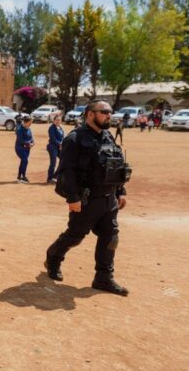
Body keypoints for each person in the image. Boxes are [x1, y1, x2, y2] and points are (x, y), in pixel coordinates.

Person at [44, 100, 130, 296]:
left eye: (110, 112)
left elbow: (116, 165)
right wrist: (72, 198)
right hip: (86, 200)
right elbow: (66, 171)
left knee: (111, 237)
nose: (109, 115)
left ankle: (103, 278)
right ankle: (53, 256)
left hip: (108, 199)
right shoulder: (75, 139)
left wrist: (121, 191)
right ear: (90, 114)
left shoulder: (108, 137)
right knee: (75, 236)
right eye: (104, 112)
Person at [15, 114, 34, 183]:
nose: (31, 124)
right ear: (25, 122)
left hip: (27, 148)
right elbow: (21, 140)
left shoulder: (28, 128)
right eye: (30, 122)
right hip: (20, 148)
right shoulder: (19, 129)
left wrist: (32, 142)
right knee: (25, 161)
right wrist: (29, 144)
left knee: (23, 161)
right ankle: (23, 176)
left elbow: (31, 137)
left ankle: (20, 176)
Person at [46, 113, 65, 183]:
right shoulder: (51, 128)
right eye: (56, 120)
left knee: (63, 160)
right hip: (52, 147)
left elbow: (63, 137)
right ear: (54, 121)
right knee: (53, 162)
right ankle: (50, 178)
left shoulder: (60, 128)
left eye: (59, 120)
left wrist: (63, 144)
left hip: (59, 147)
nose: (58, 121)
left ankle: (55, 176)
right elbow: (53, 138)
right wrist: (60, 144)